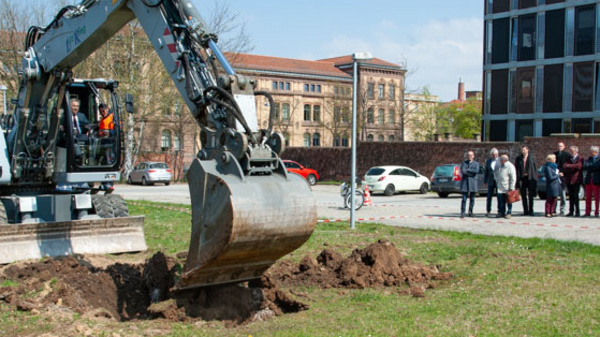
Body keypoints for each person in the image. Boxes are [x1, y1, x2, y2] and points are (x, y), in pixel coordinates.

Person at [515, 145, 538, 216]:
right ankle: (525, 210)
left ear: (527, 150)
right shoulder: (518, 158)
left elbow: (535, 169)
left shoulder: (532, 158)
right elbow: (516, 169)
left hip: (530, 178)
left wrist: (535, 179)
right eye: (522, 150)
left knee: (531, 195)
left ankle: (531, 210)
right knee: (523, 195)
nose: (523, 151)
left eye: (524, 150)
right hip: (522, 178)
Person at [563, 146, 584, 217]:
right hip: (569, 180)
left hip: (576, 180)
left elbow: (579, 166)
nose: (571, 153)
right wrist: (571, 166)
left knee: (576, 196)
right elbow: (564, 166)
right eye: (570, 151)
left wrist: (570, 166)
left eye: (572, 151)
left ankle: (577, 211)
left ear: (576, 151)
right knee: (570, 196)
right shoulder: (568, 158)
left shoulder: (580, 158)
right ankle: (571, 211)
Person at [494, 154, 516, 219]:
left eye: (501, 160)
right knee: (501, 201)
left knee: (509, 201)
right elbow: (496, 174)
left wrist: (511, 187)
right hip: (500, 187)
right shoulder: (500, 166)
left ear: (504, 160)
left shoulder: (510, 166)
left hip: (507, 187)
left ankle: (509, 213)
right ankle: (501, 212)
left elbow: (513, 177)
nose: (500, 161)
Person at [460, 150, 480, 218]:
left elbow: (476, 171)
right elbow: (463, 171)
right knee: (464, 199)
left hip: (472, 183)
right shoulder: (464, 163)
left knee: (472, 199)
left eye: (471, 155)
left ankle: (470, 212)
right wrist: (470, 172)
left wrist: (468, 170)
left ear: (473, 156)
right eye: (468, 155)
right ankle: (462, 213)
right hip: (465, 183)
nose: (470, 156)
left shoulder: (476, 164)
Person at [583, 146, 600, 217]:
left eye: (592, 151)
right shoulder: (589, 159)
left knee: (596, 197)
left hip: (596, 180)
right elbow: (585, 166)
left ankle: (596, 212)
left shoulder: (599, 159)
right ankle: (587, 212)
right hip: (588, 179)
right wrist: (592, 166)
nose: (590, 152)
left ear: (595, 152)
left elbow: (597, 166)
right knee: (588, 197)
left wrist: (591, 166)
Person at [554, 142, 570, 215]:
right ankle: (553, 209)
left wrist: (563, 172)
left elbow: (568, 165)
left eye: (561, 146)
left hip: (563, 176)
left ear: (564, 146)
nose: (559, 147)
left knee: (563, 195)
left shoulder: (567, 155)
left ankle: (562, 210)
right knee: (554, 194)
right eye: (558, 146)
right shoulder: (555, 154)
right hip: (555, 177)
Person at [484, 148, 499, 217]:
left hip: (498, 181)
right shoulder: (488, 161)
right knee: (489, 196)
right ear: (491, 155)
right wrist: (485, 180)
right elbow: (486, 171)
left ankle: (499, 210)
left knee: (499, 196)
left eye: (496, 154)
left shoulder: (500, 161)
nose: (494, 156)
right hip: (490, 181)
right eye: (493, 155)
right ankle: (488, 210)